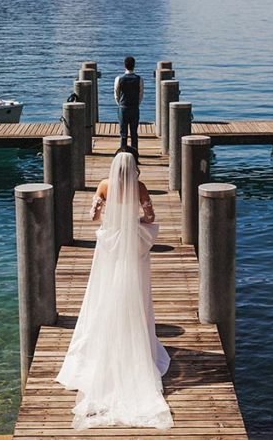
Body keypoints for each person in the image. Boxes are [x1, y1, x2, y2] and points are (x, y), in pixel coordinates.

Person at [56, 149, 173, 430]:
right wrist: (138, 219)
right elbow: (149, 216)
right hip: (132, 244)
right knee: (135, 292)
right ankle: (137, 341)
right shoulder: (140, 187)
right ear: (134, 167)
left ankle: (105, 341)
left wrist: (106, 212)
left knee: (103, 292)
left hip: (109, 246)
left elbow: (94, 216)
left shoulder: (105, 186)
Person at [114, 56, 143, 151]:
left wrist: (120, 103)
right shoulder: (139, 79)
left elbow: (116, 94)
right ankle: (135, 157)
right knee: (134, 133)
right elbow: (141, 95)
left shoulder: (119, 78)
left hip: (123, 108)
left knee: (123, 134)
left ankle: (123, 153)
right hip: (134, 108)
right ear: (134, 66)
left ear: (124, 66)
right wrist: (136, 104)